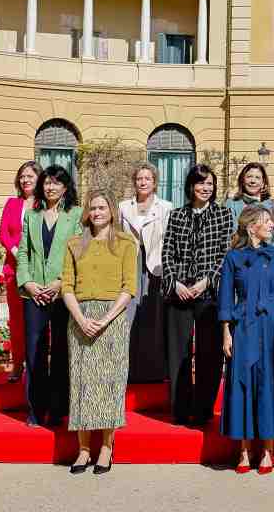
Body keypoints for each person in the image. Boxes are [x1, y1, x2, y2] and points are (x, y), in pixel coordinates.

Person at [219, 205, 274, 475]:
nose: (271, 225)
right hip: (243, 324)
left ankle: (267, 450)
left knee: (269, 382)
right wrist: (226, 332)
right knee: (243, 381)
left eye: (271, 221)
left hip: (273, 325)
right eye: (266, 221)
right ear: (250, 225)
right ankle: (243, 450)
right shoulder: (232, 258)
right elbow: (225, 298)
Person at [61, 191, 137, 475]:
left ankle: (106, 447)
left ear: (112, 211)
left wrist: (105, 319)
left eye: (102, 207)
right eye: (92, 208)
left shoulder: (127, 243)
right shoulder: (73, 244)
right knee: (81, 383)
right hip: (80, 316)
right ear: (87, 213)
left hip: (112, 318)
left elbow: (129, 287)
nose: (97, 212)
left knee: (109, 383)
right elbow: (67, 285)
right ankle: (83, 449)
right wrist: (80, 317)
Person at [162, 163, 234, 426]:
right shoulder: (177, 215)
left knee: (209, 353)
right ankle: (180, 410)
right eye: (201, 183)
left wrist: (206, 282)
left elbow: (225, 253)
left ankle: (203, 410)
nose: (205, 188)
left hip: (209, 292)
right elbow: (167, 251)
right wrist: (175, 283)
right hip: (179, 291)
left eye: (210, 184)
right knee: (177, 353)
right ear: (191, 186)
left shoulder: (224, 215)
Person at [16, 164, 82, 428]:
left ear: (65, 187)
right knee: (34, 353)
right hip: (34, 294)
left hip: (62, 293)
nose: (50, 187)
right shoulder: (32, 215)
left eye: (56, 183)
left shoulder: (75, 214)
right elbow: (23, 253)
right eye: (47, 182)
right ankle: (35, 409)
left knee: (61, 351)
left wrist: (60, 283)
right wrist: (28, 283)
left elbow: (78, 252)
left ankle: (58, 410)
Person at [118, 163, 173, 383]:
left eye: (147, 179)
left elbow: (169, 239)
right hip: (131, 263)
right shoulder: (123, 206)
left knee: (153, 316)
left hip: (155, 266)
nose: (143, 182)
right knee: (129, 316)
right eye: (139, 178)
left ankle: (154, 370)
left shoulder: (166, 207)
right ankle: (130, 370)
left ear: (154, 182)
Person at [0, 160, 40, 384]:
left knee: (39, 322)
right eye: (22, 176)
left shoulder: (45, 204)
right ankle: (17, 366)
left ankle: (37, 366)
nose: (25, 180)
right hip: (14, 269)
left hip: (39, 271)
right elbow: (3, 232)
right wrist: (16, 252)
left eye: (30, 176)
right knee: (17, 320)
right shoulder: (12, 203)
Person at [224, 162, 274, 250]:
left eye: (257, 177)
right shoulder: (231, 204)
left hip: (268, 259)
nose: (253, 181)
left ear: (263, 183)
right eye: (249, 177)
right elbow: (229, 236)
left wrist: (267, 259)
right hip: (240, 257)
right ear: (242, 180)